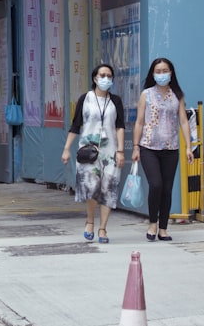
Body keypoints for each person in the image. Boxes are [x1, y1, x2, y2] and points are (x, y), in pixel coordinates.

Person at [61, 63, 126, 244]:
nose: (106, 79)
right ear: (95, 78)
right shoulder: (86, 99)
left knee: (108, 189)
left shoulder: (116, 101)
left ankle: (103, 228)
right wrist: (67, 148)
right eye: (102, 75)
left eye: (109, 76)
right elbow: (75, 125)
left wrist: (120, 150)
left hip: (110, 151)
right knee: (90, 188)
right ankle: (90, 221)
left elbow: (120, 126)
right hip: (88, 151)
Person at [132, 57, 194, 242]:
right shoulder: (146, 94)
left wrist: (189, 147)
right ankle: (152, 223)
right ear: (153, 74)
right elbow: (140, 121)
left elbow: (183, 121)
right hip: (148, 147)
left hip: (171, 148)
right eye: (158, 71)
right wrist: (136, 147)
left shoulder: (177, 95)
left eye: (164, 71)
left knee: (167, 189)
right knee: (156, 184)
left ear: (171, 72)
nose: (161, 74)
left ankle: (163, 228)